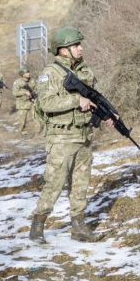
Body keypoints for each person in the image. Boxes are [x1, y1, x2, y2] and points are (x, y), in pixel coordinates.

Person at [29, 26, 110, 243]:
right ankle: (37, 227)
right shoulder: (50, 74)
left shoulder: (84, 71)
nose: (81, 48)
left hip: (83, 136)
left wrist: (107, 115)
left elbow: (94, 100)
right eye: (76, 45)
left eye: (79, 45)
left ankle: (79, 227)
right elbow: (46, 103)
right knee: (54, 184)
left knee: (80, 184)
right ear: (64, 50)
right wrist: (76, 100)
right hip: (62, 139)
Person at [13, 67, 35, 135]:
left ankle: (37, 130)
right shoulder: (17, 82)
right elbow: (15, 93)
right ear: (22, 74)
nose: (28, 73)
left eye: (28, 72)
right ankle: (21, 132)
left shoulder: (32, 80)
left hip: (32, 102)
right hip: (22, 103)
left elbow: (36, 88)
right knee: (22, 120)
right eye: (26, 72)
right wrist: (24, 93)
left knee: (36, 117)